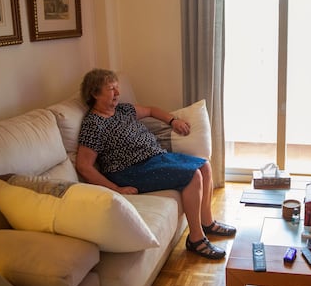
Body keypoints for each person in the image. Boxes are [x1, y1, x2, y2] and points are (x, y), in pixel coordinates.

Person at [76, 68, 236, 259]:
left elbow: (151, 110)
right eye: (111, 89)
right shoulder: (93, 124)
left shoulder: (122, 110)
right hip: (130, 170)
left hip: (156, 158)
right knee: (192, 176)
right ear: (94, 93)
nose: (117, 93)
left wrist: (173, 120)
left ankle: (207, 222)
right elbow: (84, 166)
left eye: (117, 88)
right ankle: (196, 239)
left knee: (204, 165)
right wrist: (116, 188)